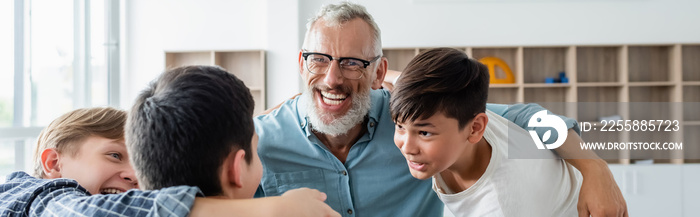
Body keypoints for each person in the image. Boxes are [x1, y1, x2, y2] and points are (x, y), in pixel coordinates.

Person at [255, 2, 626, 217]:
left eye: (353, 62)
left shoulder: (411, 116)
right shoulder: (259, 140)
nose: (333, 77)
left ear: (378, 72)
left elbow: (530, 117)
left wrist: (593, 165)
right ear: (302, 63)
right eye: (319, 59)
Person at [0, 67, 339, 217]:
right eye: (115, 154)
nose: (132, 175)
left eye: (137, 160)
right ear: (52, 162)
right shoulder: (26, 196)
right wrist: (272, 209)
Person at [391, 47, 582, 216]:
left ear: (475, 129)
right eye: (400, 126)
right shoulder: (453, 110)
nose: (407, 148)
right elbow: (395, 78)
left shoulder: (499, 206)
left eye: (424, 133)